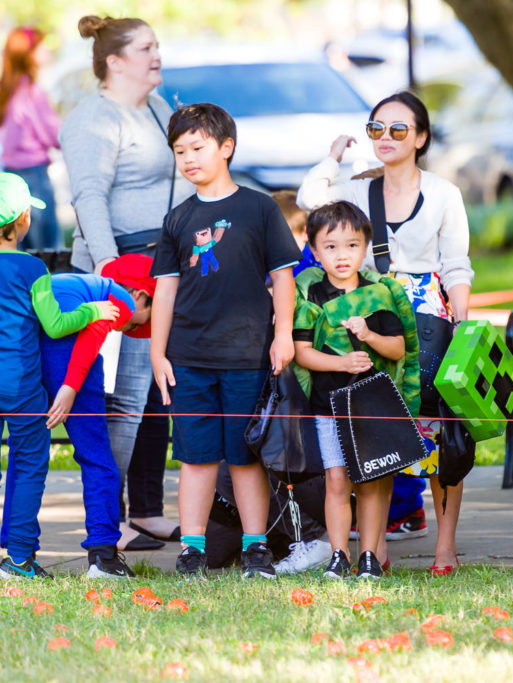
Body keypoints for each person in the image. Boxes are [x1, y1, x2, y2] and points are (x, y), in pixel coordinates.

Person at [297, 90, 473, 575]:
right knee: (373, 427)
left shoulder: (442, 193)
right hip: (368, 315)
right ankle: (376, 546)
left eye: (399, 129)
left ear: (420, 137)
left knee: (439, 431)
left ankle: (445, 546)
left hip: (427, 319)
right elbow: (310, 201)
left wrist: (459, 323)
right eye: (376, 129)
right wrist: (333, 157)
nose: (386, 138)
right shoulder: (355, 190)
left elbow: (457, 265)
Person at [150, 103, 300, 579]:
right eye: (179, 151)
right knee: (195, 458)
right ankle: (191, 547)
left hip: (247, 356)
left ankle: (257, 547)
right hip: (189, 358)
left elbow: (283, 279)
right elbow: (165, 290)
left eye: (197, 147)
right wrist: (158, 353)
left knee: (244, 457)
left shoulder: (259, 208)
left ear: (226, 148)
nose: (188, 158)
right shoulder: (177, 219)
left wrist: (282, 336)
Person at [61, 15, 189, 551]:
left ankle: (147, 511)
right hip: (121, 269)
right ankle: (103, 519)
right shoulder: (94, 117)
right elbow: (89, 197)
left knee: (159, 390)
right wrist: (114, 277)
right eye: (145, 48)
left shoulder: (160, 108)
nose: (156, 54)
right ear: (114, 61)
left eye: (158, 44)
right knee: (126, 398)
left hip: (163, 264)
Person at [0, 172, 118, 580]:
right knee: (28, 467)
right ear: (24, 219)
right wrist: (93, 312)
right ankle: (20, 559)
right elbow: (56, 324)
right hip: (21, 384)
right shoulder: (32, 269)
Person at [0, 254, 156, 579]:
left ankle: (18, 556)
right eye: (137, 324)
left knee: (23, 453)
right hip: (67, 355)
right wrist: (71, 386)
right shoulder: (123, 298)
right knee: (97, 456)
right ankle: (103, 557)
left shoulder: (67, 282)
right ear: (141, 295)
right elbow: (94, 333)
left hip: (25, 346)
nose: (128, 328)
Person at [292, 201, 419, 580]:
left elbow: (399, 349)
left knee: (371, 480)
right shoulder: (309, 295)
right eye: (330, 246)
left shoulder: (379, 294)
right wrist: (341, 363)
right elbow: (302, 353)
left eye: (351, 245)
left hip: (372, 406)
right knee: (336, 480)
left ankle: (368, 556)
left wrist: (369, 336)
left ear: (365, 248)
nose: (342, 255)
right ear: (314, 252)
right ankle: (338, 554)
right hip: (328, 404)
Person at [0, 26, 62, 250]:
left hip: (10, 174)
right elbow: (55, 135)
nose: (45, 51)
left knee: (19, 245)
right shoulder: (31, 92)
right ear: (28, 53)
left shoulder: (4, 90)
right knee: (47, 250)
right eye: (40, 46)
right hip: (34, 177)